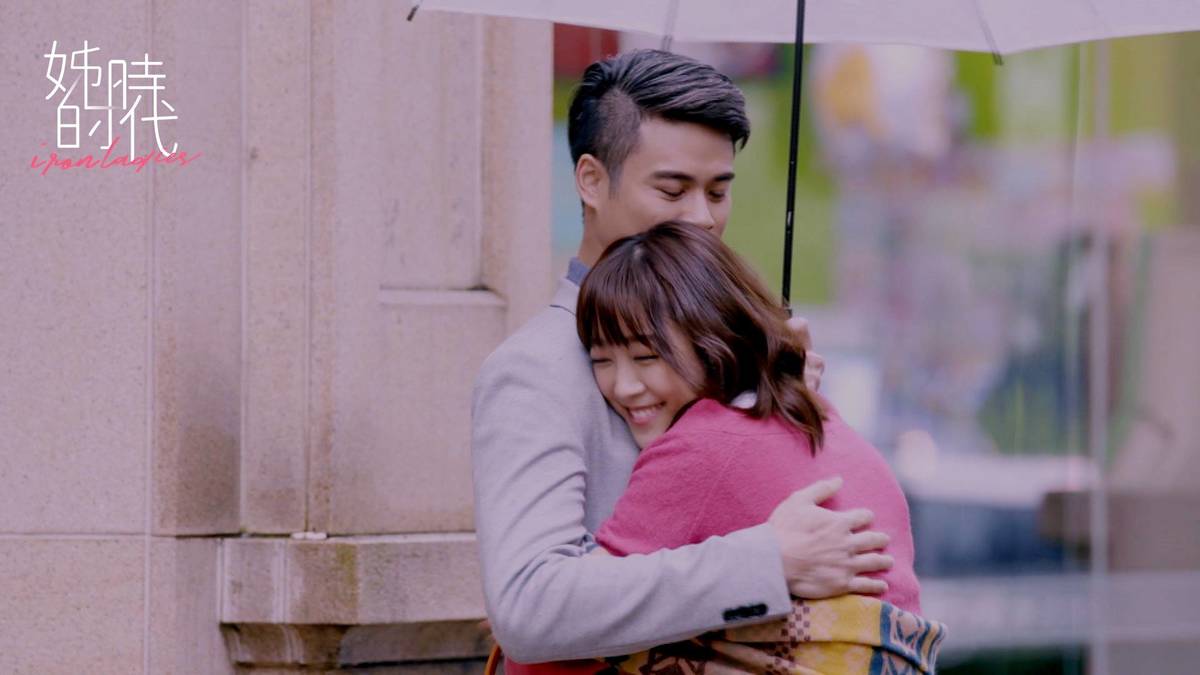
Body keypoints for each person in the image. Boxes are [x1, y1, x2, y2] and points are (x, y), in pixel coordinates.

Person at [471, 49, 894, 663]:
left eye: (718, 192)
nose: (701, 218)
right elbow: (529, 606)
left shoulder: (734, 342)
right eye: (672, 190)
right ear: (591, 181)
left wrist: (775, 400)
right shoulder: (536, 369)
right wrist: (766, 561)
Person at [504, 221, 943, 673]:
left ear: (712, 342)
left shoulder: (704, 445)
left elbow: (560, 623)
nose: (624, 385)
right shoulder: (828, 426)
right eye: (602, 361)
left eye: (646, 357)